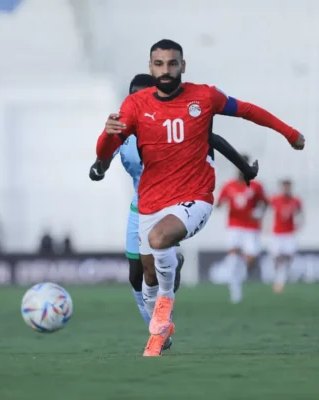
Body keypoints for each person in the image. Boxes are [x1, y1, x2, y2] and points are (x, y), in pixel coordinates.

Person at [96, 39, 304, 356]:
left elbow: (244, 113)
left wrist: (288, 134)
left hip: (194, 196)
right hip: (148, 202)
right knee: (144, 273)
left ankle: (165, 302)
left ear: (182, 65)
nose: (166, 70)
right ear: (151, 67)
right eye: (159, 64)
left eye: (172, 63)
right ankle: (160, 331)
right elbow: (104, 152)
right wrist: (104, 142)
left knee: (159, 239)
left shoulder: (203, 98)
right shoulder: (134, 109)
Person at [90, 73, 258, 351]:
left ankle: (159, 331)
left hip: (171, 203)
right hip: (139, 206)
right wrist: (98, 167)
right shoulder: (124, 128)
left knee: (155, 268)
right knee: (136, 276)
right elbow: (105, 156)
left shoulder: (172, 125)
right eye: (133, 96)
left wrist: (244, 168)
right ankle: (160, 329)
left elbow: (213, 140)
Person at [216, 154, 268, 304]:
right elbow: (219, 203)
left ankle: (242, 275)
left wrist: (259, 212)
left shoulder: (256, 186)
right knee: (233, 256)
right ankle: (235, 290)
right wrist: (218, 203)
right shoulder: (229, 186)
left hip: (251, 227)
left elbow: (265, 203)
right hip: (234, 226)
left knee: (251, 257)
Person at [269, 179, 304, 293]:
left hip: (289, 234)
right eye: (284, 187)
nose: (286, 189)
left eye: (288, 186)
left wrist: (300, 224)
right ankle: (279, 279)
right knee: (276, 258)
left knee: (288, 257)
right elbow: (268, 211)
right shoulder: (275, 199)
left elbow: (300, 213)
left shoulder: (296, 200)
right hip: (277, 234)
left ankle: (281, 279)